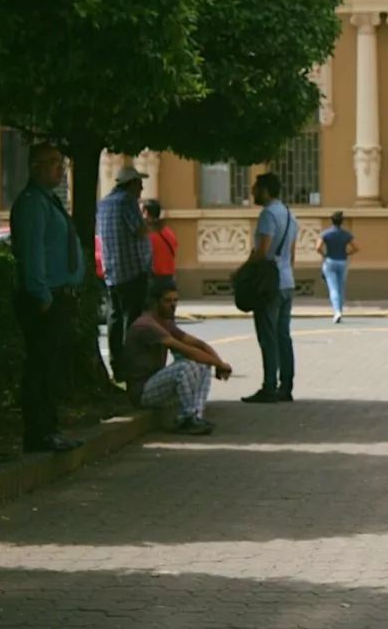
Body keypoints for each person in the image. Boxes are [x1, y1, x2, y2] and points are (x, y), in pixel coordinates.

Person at [9, 143, 85, 453]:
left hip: (58, 295)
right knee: (40, 366)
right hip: (44, 298)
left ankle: (49, 429)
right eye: (53, 163)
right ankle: (39, 433)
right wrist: (41, 295)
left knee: (51, 366)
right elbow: (32, 252)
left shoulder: (48, 200)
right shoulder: (32, 204)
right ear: (35, 166)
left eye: (62, 163)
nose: (60, 169)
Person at [125, 277, 233, 435]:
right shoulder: (146, 325)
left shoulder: (165, 323)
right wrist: (220, 365)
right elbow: (185, 349)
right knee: (187, 364)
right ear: (155, 302)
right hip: (142, 391)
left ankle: (195, 416)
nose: (173, 305)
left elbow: (199, 345)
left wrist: (218, 363)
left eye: (176, 300)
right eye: (168, 300)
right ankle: (187, 417)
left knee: (202, 364)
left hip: (156, 383)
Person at [242, 173, 298, 404]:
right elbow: (292, 255)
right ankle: (286, 386)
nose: (253, 191)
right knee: (283, 335)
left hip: (269, 285)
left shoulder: (267, 215)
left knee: (268, 336)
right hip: (287, 280)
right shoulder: (290, 215)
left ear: (265, 190)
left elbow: (262, 252)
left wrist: (243, 271)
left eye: (256, 187)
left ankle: (269, 387)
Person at [97, 165, 152, 383]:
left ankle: (117, 366)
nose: (142, 188)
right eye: (139, 183)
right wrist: (151, 225)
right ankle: (132, 368)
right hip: (132, 270)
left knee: (115, 318)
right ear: (130, 184)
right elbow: (139, 231)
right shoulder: (127, 202)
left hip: (112, 270)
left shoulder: (104, 204)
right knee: (133, 321)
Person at [316, 211, 359, 324]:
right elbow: (356, 247)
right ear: (342, 221)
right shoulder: (346, 234)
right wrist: (348, 253)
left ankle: (337, 311)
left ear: (331, 221)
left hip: (330, 260)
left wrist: (324, 254)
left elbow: (318, 247)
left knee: (333, 287)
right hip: (343, 261)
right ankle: (340, 310)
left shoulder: (326, 233)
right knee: (341, 287)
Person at [142, 199, 177, 280]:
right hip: (169, 278)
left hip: (153, 279)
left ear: (146, 213)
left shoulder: (146, 235)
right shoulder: (169, 232)